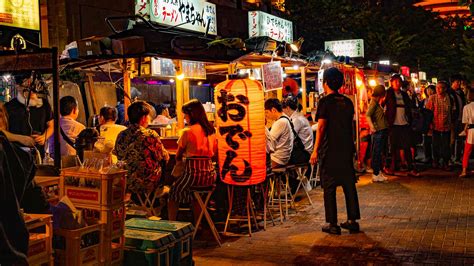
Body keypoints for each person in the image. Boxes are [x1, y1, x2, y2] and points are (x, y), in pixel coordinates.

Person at [310, 67, 360, 235]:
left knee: (329, 186)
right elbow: (350, 126)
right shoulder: (347, 102)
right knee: (348, 185)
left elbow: (322, 127)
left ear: (325, 83)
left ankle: (332, 223)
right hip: (346, 149)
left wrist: (315, 150)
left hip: (329, 149)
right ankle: (352, 220)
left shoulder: (325, 102)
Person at [168, 99, 217, 222]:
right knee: (197, 196)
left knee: (173, 194)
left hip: (193, 174)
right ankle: (198, 224)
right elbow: (215, 153)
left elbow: (178, 156)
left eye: (185, 114)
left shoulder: (187, 131)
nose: (184, 117)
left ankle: (171, 222)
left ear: (191, 114)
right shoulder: (211, 130)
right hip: (210, 174)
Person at [114, 101, 169, 199]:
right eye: (148, 116)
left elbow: (117, 153)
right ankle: (159, 199)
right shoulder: (150, 135)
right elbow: (163, 156)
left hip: (125, 180)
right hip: (146, 182)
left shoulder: (121, 135)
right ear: (144, 118)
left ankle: (142, 201)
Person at [5, 73, 54, 157]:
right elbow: (2, 132)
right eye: (26, 88)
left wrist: (44, 137)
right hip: (15, 155)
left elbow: (51, 125)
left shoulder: (44, 104)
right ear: (17, 86)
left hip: (38, 153)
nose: (31, 91)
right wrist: (21, 139)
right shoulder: (9, 107)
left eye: (33, 87)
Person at [384, 74, 419, 176]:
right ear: (391, 83)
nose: (397, 83)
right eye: (395, 81)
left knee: (407, 146)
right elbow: (382, 105)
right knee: (394, 147)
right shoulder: (388, 93)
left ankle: (410, 167)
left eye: (398, 81)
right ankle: (393, 167)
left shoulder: (404, 94)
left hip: (404, 124)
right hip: (393, 124)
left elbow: (410, 107)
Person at [425, 81, 454, 171]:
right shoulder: (432, 98)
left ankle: (445, 162)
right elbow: (428, 112)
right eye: (437, 87)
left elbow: (452, 111)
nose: (437, 89)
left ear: (445, 89)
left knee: (446, 145)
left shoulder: (450, 98)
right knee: (435, 145)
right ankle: (436, 161)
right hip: (435, 126)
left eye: (440, 87)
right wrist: (429, 125)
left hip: (447, 126)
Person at [366, 85, 388, 182]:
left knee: (378, 152)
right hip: (378, 131)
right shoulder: (373, 103)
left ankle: (378, 172)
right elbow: (368, 115)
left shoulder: (377, 102)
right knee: (376, 152)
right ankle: (376, 173)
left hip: (381, 130)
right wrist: (372, 126)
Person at [265, 98, 294, 168]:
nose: (266, 115)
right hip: (283, 157)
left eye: (266, 112)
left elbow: (270, 145)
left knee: (254, 166)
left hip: (277, 159)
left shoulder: (280, 122)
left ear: (273, 110)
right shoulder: (285, 118)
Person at [450, 74, 466, 165]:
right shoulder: (450, 92)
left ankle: (457, 157)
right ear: (452, 83)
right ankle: (451, 158)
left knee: (459, 139)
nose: (459, 84)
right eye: (457, 82)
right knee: (452, 139)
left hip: (460, 119)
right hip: (453, 120)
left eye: (459, 82)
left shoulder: (460, 93)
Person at [460, 89, 474, 178]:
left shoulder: (467, 107)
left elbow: (466, 122)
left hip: (472, 131)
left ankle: (464, 171)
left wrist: (464, 130)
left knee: (467, 151)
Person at [422, 85, 436, 164]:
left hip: (433, 122)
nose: (429, 92)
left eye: (431, 90)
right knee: (426, 141)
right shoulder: (425, 100)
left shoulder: (435, 99)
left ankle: (433, 158)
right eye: (428, 90)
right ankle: (427, 156)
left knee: (433, 141)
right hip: (425, 123)